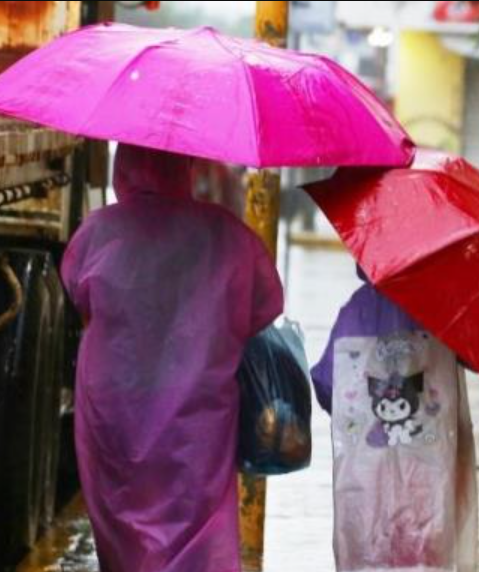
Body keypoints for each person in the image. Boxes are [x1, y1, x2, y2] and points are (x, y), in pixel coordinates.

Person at [61, 143, 284, 572]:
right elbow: (266, 304)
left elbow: (76, 290)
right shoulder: (228, 236)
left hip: (115, 410)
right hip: (197, 416)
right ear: (186, 165)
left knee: (124, 532)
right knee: (198, 522)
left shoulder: (98, 231)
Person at [311, 267, 477, 572]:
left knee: (369, 553)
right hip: (428, 469)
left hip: (366, 474)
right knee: (425, 553)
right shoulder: (442, 311)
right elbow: (477, 356)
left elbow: (327, 383)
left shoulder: (354, 311)